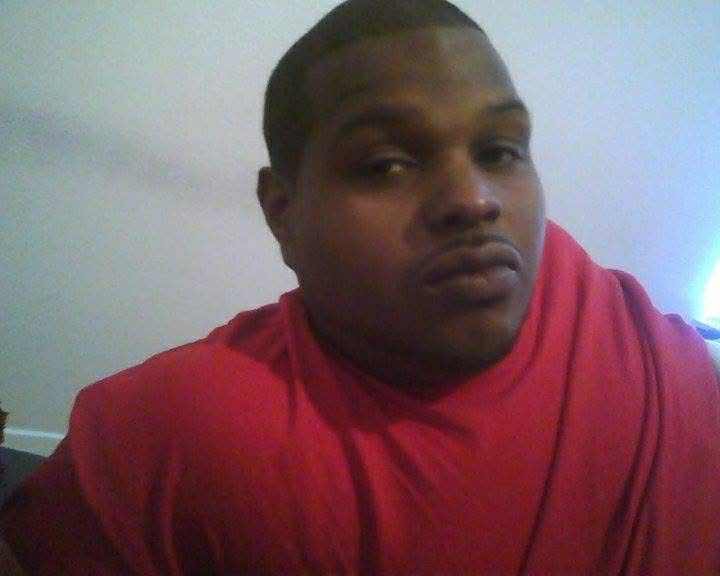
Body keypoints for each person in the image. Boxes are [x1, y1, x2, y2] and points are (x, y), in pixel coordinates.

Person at [2, 0, 719, 574]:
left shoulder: (645, 352)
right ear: (283, 212)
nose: (475, 200)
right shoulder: (172, 436)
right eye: (384, 164)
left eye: (500, 150)